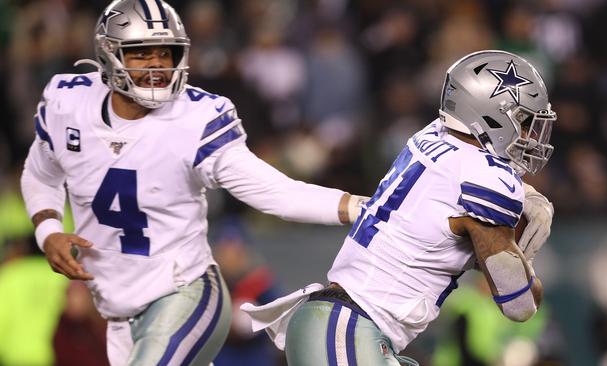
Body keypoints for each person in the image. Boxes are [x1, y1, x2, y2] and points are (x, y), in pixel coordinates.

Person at [19, 1, 367, 365]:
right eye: (141, 54)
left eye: (165, 53)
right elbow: (41, 174)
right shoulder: (69, 102)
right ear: (109, 55)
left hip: (184, 292)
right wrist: (48, 231)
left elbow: (276, 193)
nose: (157, 65)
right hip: (117, 314)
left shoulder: (195, 119)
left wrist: (361, 207)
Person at [242, 50, 556, 366]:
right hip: (350, 330)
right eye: (525, 121)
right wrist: (523, 254)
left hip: (340, 326)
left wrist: (526, 195)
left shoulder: (432, 135)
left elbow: (457, 182)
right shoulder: (489, 182)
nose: (530, 135)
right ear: (492, 115)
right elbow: (520, 304)